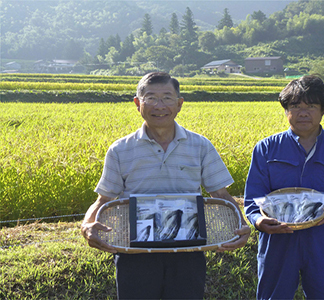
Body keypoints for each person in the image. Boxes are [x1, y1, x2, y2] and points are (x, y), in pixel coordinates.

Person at [81, 72, 250, 300]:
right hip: (135, 253)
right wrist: (87, 225)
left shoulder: (200, 146)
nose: (159, 106)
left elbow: (220, 194)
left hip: (188, 252)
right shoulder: (120, 150)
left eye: (167, 98)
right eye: (151, 98)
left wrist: (241, 224)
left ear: (179, 104)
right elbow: (104, 199)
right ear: (137, 103)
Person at [244, 75, 324, 300]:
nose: (303, 112)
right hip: (278, 239)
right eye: (295, 106)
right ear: (286, 110)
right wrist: (259, 221)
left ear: (323, 110)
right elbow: (253, 197)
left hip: (323, 236)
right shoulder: (266, 148)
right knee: (273, 297)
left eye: (311, 106)